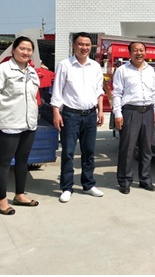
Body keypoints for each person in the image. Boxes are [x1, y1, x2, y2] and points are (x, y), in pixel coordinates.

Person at [0, 36, 41, 215]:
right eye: (22, 48)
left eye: (29, 49)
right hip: (9, 122)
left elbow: (33, 95)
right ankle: (1, 201)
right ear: (13, 50)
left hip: (29, 123)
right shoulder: (2, 70)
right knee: (5, 161)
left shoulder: (32, 72)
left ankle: (19, 195)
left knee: (23, 160)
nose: (26, 52)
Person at [51, 32, 105, 203]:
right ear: (73, 45)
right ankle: (67, 187)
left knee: (89, 152)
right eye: (81, 44)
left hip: (90, 115)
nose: (84, 48)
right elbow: (57, 91)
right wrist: (56, 112)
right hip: (70, 115)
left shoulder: (95, 66)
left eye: (87, 45)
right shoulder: (65, 65)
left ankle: (88, 185)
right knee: (68, 152)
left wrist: (101, 111)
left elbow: (99, 90)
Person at [112, 42, 155, 195]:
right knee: (128, 149)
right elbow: (117, 93)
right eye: (135, 50)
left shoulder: (150, 70)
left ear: (145, 52)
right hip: (130, 111)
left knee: (147, 148)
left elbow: (154, 92)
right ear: (130, 53)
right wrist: (118, 114)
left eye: (141, 50)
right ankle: (125, 181)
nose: (139, 53)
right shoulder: (122, 70)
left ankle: (145, 179)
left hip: (148, 111)